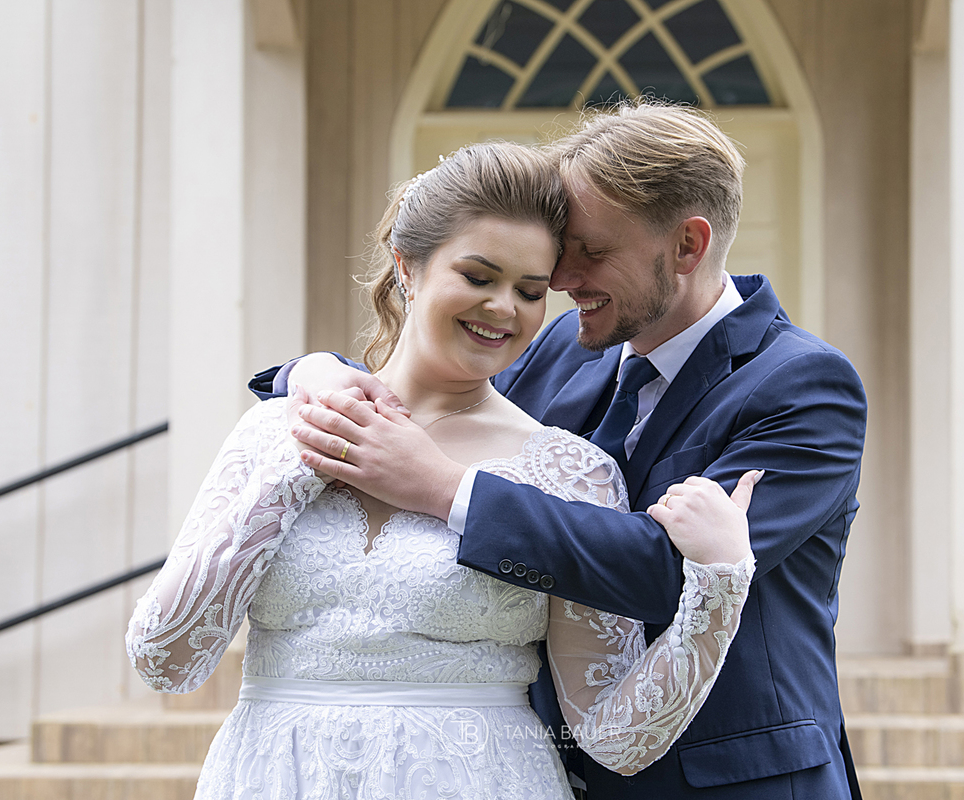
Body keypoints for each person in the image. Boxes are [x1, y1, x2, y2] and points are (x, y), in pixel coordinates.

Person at [260, 101, 868, 799]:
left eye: (592, 251)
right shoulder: (565, 346)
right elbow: (446, 400)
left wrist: (444, 488)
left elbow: (667, 572)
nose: (560, 278)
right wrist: (308, 373)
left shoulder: (805, 387)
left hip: (731, 783)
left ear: (687, 247)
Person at [127, 141, 759, 800]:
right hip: (269, 778)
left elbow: (610, 737)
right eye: (479, 277)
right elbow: (165, 660)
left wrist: (717, 589)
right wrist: (297, 463)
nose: (504, 309)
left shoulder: (570, 472)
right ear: (407, 266)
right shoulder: (277, 428)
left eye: (531, 290)